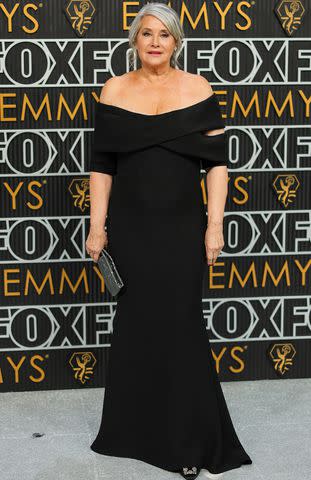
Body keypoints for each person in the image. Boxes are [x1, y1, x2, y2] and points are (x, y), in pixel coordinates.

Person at [86, 3, 252, 479]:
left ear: (177, 42)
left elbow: (216, 164)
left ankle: (187, 442)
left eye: (165, 34)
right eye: (146, 34)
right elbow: (102, 166)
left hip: (182, 228)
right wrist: (98, 227)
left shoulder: (198, 89)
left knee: (180, 326)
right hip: (132, 229)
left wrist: (214, 224)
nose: (155, 42)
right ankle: (132, 432)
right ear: (135, 41)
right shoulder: (114, 90)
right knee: (137, 326)